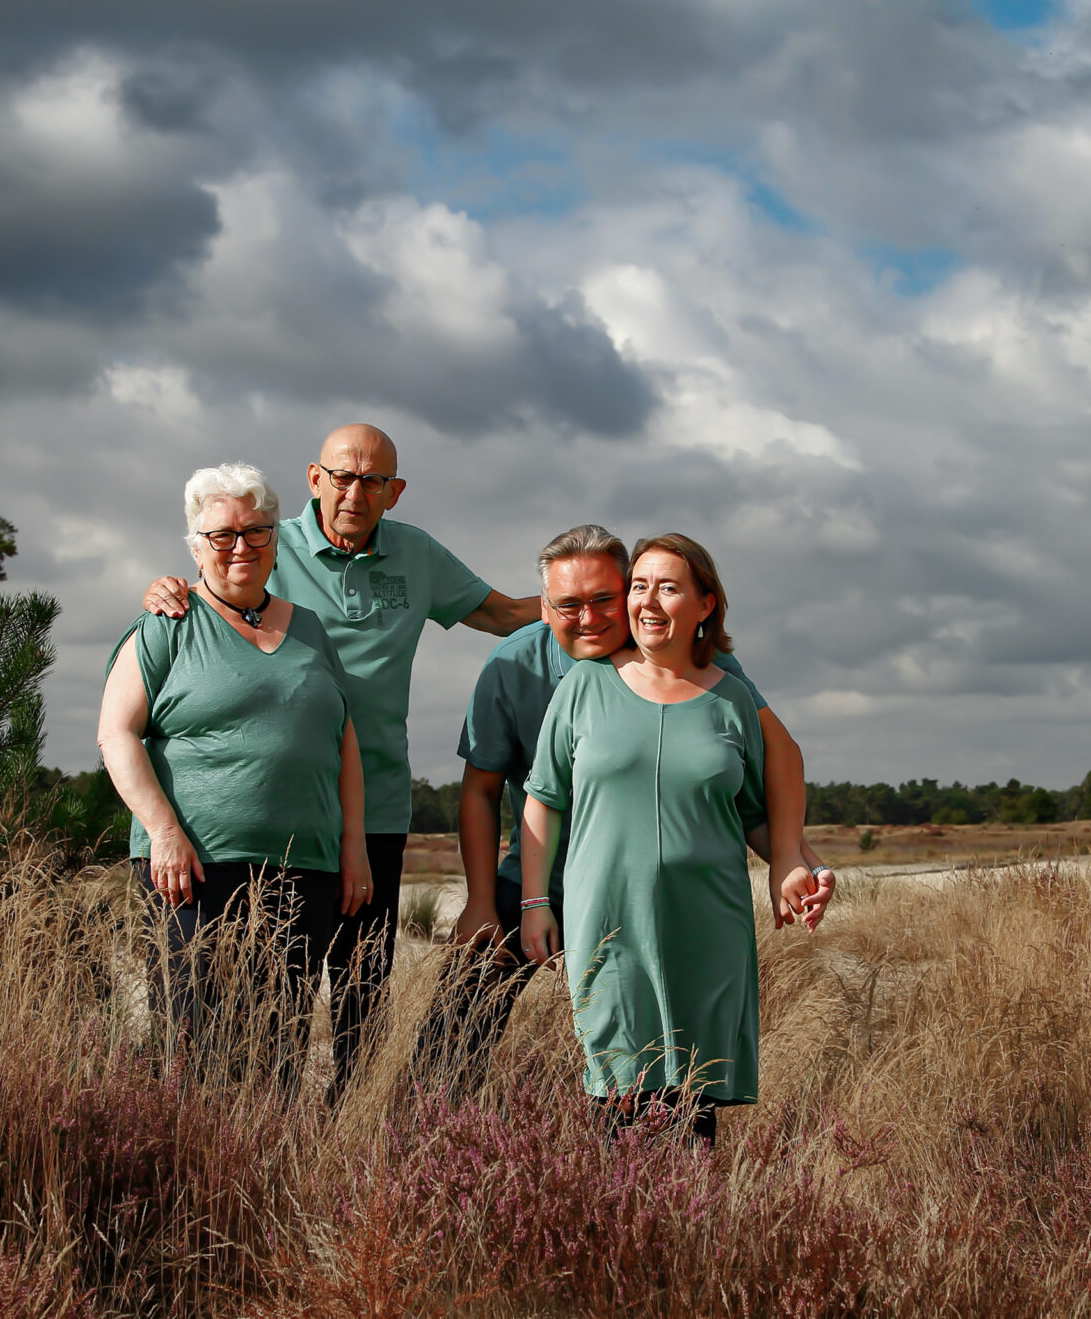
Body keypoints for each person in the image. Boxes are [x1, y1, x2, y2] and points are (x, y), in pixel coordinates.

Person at [142, 424, 538, 1083]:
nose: (355, 492)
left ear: (395, 492)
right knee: (270, 998)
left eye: (373, 481)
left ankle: (349, 1141)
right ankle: (251, 1140)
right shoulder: (269, 541)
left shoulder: (417, 556)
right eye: (343, 476)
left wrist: (594, 607)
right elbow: (214, 582)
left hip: (375, 809)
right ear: (314, 478)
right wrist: (165, 588)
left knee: (362, 991)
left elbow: (497, 615)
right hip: (285, 817)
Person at [413, 524, 833, 1100]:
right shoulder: (513, 665)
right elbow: (483, 792)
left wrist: (793, 855)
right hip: (540, 866)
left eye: (603, 599)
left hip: (657, 888)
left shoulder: (692, 664)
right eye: (568, 605)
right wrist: (483, 903)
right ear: (544, 606)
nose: (588, 618)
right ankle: (430, 1133)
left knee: (670, 1060)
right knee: (461, 1013)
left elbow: (764, 761)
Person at [520, 534, 834, 1141]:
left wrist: (792, 865)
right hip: (609, 923)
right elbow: (543, 800)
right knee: (619, 1099)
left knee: (693, 1112)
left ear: (706, 604)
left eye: (668, 586)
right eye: (639, 586)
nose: (648, 601)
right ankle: (618, 1231)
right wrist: (536, 901)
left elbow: (755, 811)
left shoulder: (733, 699)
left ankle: (688, 1233)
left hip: (709, 926)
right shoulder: (582, 688)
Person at [99, 463, 372, 1087]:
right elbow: (116, 734)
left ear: (276, 539)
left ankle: (265, 1178)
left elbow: (343, 741)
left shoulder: (310, 630)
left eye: (256, 531)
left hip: (305, 869)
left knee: (280, 1042)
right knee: (194, 1041)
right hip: (193, 869)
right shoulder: (167, 625)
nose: (241, 546)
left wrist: (353, 845)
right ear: (196, 548)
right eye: (222, 535)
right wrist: (163, 832)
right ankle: (189, 1174)